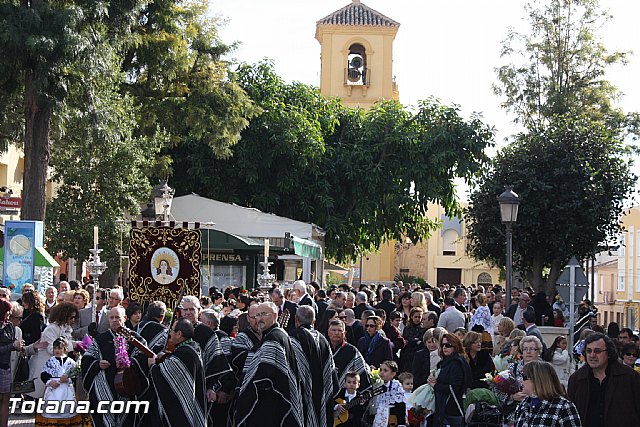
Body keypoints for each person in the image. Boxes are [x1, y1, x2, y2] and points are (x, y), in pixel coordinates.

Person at [234, 302, 303, 427]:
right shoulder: (274, 335)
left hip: (270, 402)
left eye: (264, 314)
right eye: (257, 315)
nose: (260, 319)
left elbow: (265, 374)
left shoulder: (274, 337)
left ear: (275, 315)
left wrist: (248, 391)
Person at [82, 307, 148, 427]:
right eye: (111, 317)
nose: (114, 320)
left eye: (117, 317)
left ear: (125, 318)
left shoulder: (135, 339)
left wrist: (130, 363)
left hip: (128, 387)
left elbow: (144, 358)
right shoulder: (101, 339)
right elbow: (87, 358)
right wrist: (97, 364)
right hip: (104, 388)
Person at [567, 332, 640, 426]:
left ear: (609, 353)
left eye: (597, 351)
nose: (592, 355)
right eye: (588, 351)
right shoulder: (577, 379)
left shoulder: (629, 377)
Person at [148, 318, 206, 426]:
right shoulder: (194, 347)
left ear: (179, 334)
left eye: (172, 330)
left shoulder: (184, 353)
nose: (170, 333)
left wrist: (152, 365)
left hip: (180, 413)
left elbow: (163, 374)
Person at [290, 305, 339, 427]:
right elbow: (332, 375)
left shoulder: (291, 338)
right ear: (314, 321)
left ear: (296, 319)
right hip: (320, 398)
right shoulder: (322, 339)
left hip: (299, 401)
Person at [27, 302, 78, 399]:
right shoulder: (52, 329)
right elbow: (52, 349)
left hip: (56, 367)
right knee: (42, 397)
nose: (73, 320)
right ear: (64, 315)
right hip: (44, 365)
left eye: (74, 317)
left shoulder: (66, 328)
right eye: (71, 317)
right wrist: (73, 345)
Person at [512, 360, 581, 427]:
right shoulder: (522, 406)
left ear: (537, 379)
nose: (521, 381)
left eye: (524, 377)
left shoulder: (564, 407)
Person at [427, 333, 471, 427]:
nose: (444, 348)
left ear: (455, 346)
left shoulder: (456, 363)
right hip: (443, 408)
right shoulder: (446, 362)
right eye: (442, 345)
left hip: (451, 409)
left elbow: (454, 388)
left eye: (448, 345)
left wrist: (435, 385)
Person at [37, 337, 83, 426]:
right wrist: (49, 382)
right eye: (55, 348)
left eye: (59, 348)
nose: (57, 350)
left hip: (66, 390)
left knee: (66, 412)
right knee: (52, 412)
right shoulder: (50, 361)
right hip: (53, 390)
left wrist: (68, 379)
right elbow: (44, 374)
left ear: (65, 349)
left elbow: (75, 376)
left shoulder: (71, 362)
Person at [498, 336, 544, 424]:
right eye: (525, 349)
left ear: (538, 352)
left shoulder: (545, 369)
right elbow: (498, 391)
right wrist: (512, 397)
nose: (528, 352)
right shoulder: (512, 368)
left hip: (540, 412)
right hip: (515, 414)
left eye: (532, 349)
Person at [328, 320, 371, 392]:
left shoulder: (352, 351)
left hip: (345, 395)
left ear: (344, 333)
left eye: (339, 330)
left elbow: (361, 371)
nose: (336, 333)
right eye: (333, 330)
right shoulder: (323, 349)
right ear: (328, 333)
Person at [0, 299, 23, 427]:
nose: (9, 314)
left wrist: (20, 346)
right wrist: (12, 346)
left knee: (5, 399)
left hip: (6, 368)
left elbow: (13, 343)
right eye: (7, 312)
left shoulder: (9, 327)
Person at [370, 360, 406, 427]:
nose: (382, 372)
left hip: (392, 419)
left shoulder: (396, 385)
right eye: (381, 370)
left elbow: (401, 405)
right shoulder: (377, 384)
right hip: (379, 417)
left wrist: (401, 423)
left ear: (393, 374)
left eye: (385, 370)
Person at [399, 307, 426, 372]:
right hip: (407, 356)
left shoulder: (423, 329)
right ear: (411, 317)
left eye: (419, 317)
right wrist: (416, 341)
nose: (417, 319)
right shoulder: (407, 328)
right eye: (415, 317)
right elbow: (408, 340)